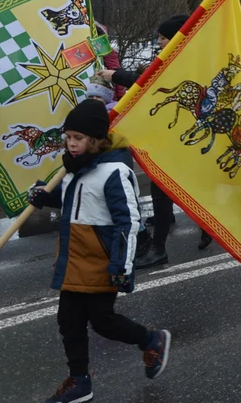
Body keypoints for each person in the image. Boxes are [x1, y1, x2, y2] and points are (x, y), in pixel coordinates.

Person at [28, 100, 171, 403]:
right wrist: (45, 196)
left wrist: (122, 264)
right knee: (68, 321)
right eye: (67, 138)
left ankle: (151, 340)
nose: (71, 144)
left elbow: (129, 222)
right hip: (74, 257)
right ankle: (79, 380)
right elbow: (72, 201)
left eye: (77, 138)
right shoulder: (72, 169)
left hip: (103, 259)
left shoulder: (114, 172)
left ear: (94, 139)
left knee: (103, 321)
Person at [95, 13, 189, 269]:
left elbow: (148, 83)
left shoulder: (183, 59)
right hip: (167, 134)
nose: (159, 42)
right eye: (159, 37)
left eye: (163, 37)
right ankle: (158, 245)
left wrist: (115, 75)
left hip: (178, 135)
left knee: (171, 187)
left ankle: (161, 245)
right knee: (162, 188)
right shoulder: (170, 57)